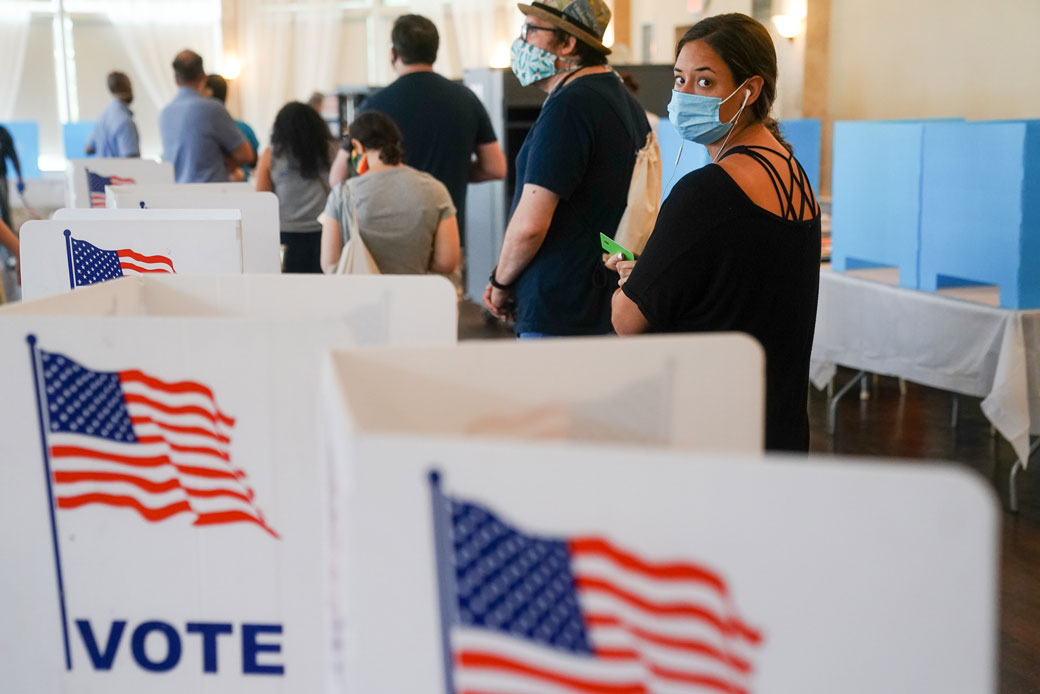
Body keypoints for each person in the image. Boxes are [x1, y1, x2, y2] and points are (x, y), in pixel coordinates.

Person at [610, 13, 821, 452]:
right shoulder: (794, 175)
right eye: (679, 79)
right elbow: (738, 288)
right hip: (779, 425)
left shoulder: (707, 190)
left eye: (705, 83)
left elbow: (627, 320)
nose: (685, 95)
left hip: (713, 430)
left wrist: (633, 287)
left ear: (751, 90)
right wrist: (654, 277)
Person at [482, 0, 651, 337]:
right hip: (598, 300)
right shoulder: (623, 100)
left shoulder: (570, 106)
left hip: (559, 307)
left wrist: (500, 281)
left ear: (568, 43)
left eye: (531, 30)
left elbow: (530, 225)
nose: (521, 42)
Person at [328, 14, 505, 245]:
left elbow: (337, 176)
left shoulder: (373, 105)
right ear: (435, 51)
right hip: (446, 235)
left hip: (389, 238)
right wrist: (456, 170)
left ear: (393, 53)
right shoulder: (466, 99)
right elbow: (495, 168)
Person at [320, 111, 459, 276]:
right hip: (416, 295)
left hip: (360, 297)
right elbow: (447, 262)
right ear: (397, 142)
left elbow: (329, 263)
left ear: (357, 146)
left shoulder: (342, 194)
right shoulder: (435, 189)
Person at [255, 102, 335, 274]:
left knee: (290, 290)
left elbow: (261, 200)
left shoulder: (271, 155)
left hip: (285, 235)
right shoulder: (330, 151)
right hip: (325, 232)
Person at [159, 50, 254, 183]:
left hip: (178, 197)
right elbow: (246, 155)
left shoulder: (164, 114)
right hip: (211, 198)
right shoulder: (212, 109)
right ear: (203, 77)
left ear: (175, 78)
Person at [205, 74, 260, 180]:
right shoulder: (244, 128)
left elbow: (251, 159)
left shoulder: (201, 129)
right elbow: (254, 162)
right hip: (242, 189)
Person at [85, 71, 140, 158]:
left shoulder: (102, 117)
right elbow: (131, 161)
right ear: (128, 87)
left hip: (102, 170)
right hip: (120, 171)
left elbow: (88, 149)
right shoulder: (125, 121)